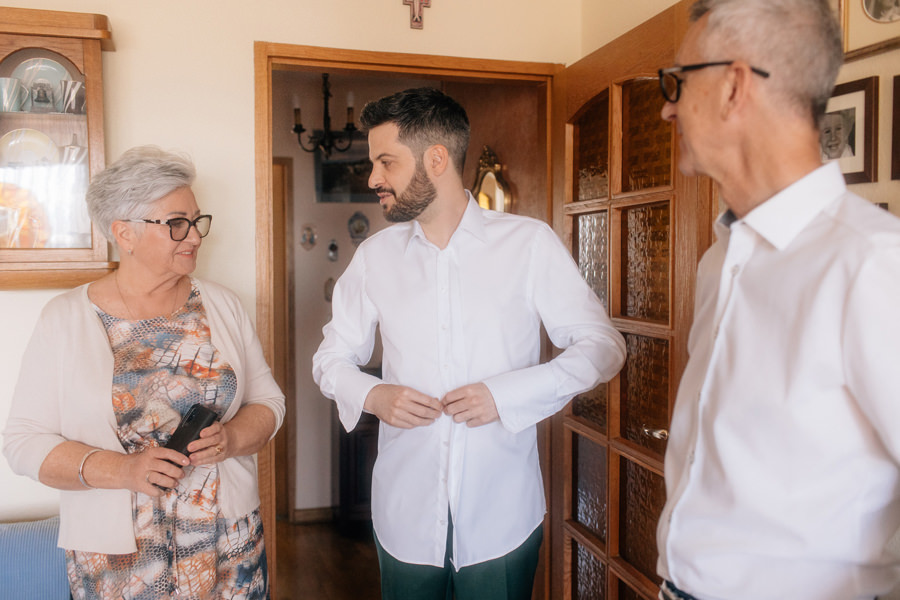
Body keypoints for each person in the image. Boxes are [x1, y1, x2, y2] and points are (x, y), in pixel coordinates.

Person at [312, 87, 626, 600]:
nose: (372, 178)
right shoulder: (374, 258)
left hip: (503, 514)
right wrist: (374, 395)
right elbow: (330, 360)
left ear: (436, 159)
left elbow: (603, 346)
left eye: (385, 162)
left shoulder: (529, 244)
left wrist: (507, 394)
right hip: (405, 516)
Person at [655, 0, 900, 599]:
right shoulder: (720, 260)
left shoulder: (873, 266)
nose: (667, 108)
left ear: (734, 86)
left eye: (676, 83)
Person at [2, 146, 285, 600]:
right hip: (118, 565)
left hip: (229, 549)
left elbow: (269, 403)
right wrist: (124, 470)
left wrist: (231, 439)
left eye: (196, 220)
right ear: (124, 234)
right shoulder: (65, 318)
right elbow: (22, 441)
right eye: (176, 223)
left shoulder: (222, 305)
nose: (194, 235)